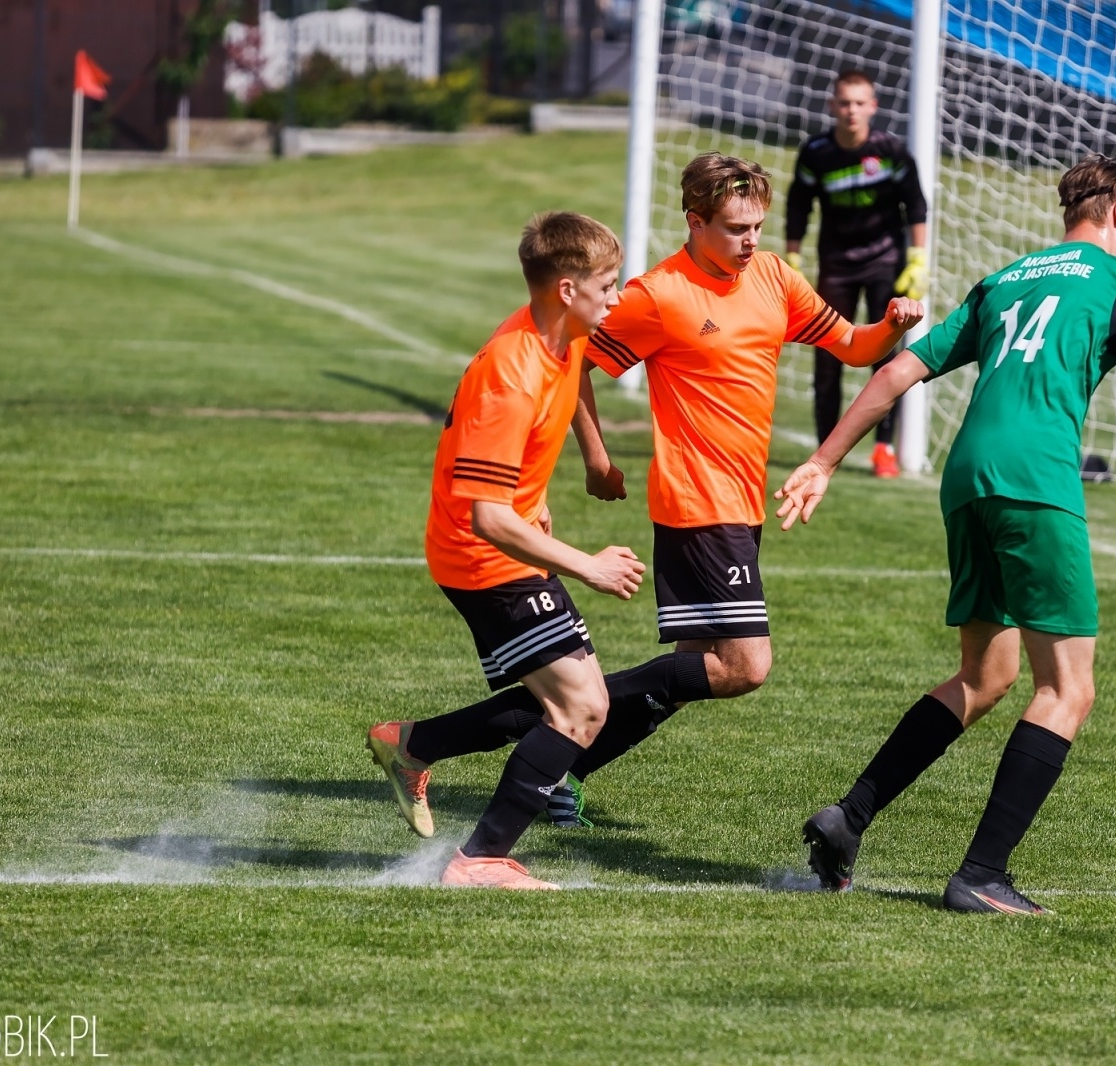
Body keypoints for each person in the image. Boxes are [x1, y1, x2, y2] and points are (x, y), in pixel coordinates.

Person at [775, 154, 1116, 914]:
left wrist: (825, 460)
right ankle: (982, 874)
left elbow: (901, 371)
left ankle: (849, 817)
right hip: (1036, 481)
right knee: (1067, 687)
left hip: (966, 479)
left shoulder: (1009, 277)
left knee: (984, 678)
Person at [376, 153, 924, 836]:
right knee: (744, 666)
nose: (750, 240)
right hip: (696, 502)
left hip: (743, 501)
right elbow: (574, 358)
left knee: (691, 671)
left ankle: (557, 755)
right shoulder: (658, 294)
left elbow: (850, 345)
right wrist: (599, 459)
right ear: (695, 222)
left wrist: (891, 328)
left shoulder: (776, 277)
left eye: (757, 224)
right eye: (734, 227)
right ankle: (556, 749)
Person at [364, 211, 644, 889]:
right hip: (481, 554)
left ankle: (412, 745)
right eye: (608, 283)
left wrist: (595, 459)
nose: (619, 294)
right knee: (581, 707)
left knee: (567, 697)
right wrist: (588, 564)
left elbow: (573, 381)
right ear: (568, 289)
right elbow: (488, 516)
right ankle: (479, 860)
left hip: (509, 543)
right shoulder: (510, 376)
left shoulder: (564, 333)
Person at [785, 69, 929, 478]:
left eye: (860, 102)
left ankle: (884, 447)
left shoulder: (891, 151)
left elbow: (916, 206)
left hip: (885, 261)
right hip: (836, 264)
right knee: (828, 354)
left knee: (884, 353)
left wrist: (918, 257)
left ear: (873, 107)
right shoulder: (816, 153)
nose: (852, 110)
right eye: (844, 102)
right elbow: (799, 205)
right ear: (833, 106)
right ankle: (824, 448)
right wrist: (793, 257)